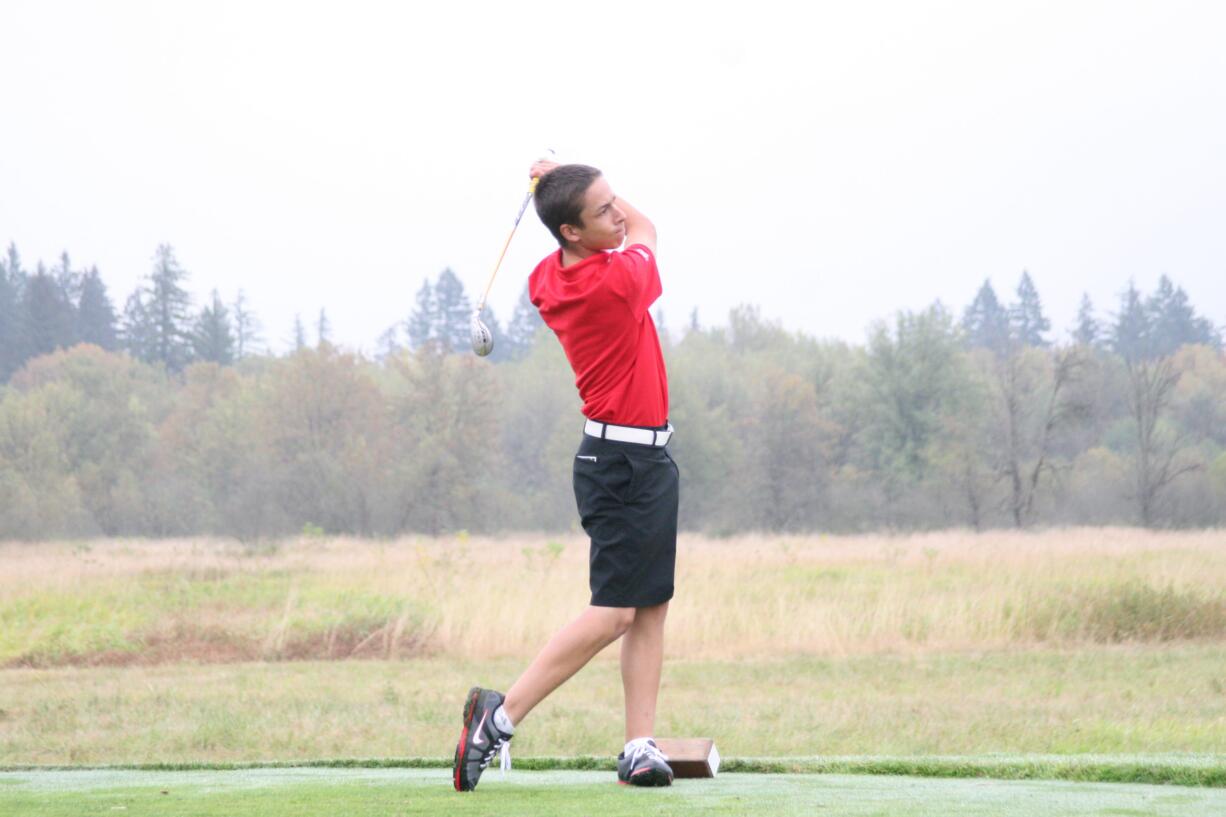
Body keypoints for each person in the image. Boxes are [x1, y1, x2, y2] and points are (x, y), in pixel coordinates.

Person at [453, 160, 680, 791]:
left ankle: (639, 745)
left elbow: (608, 226)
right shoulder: (617, 283)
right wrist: (565, 173)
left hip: (641, 460)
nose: (617, 213)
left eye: (613, 202)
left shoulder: (548, 276)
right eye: (602, 210)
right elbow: (647, 226)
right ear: (572, 232)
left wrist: (567, 186)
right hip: (622, 464)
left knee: (650, 606)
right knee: (613, 613)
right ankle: (499, 717)